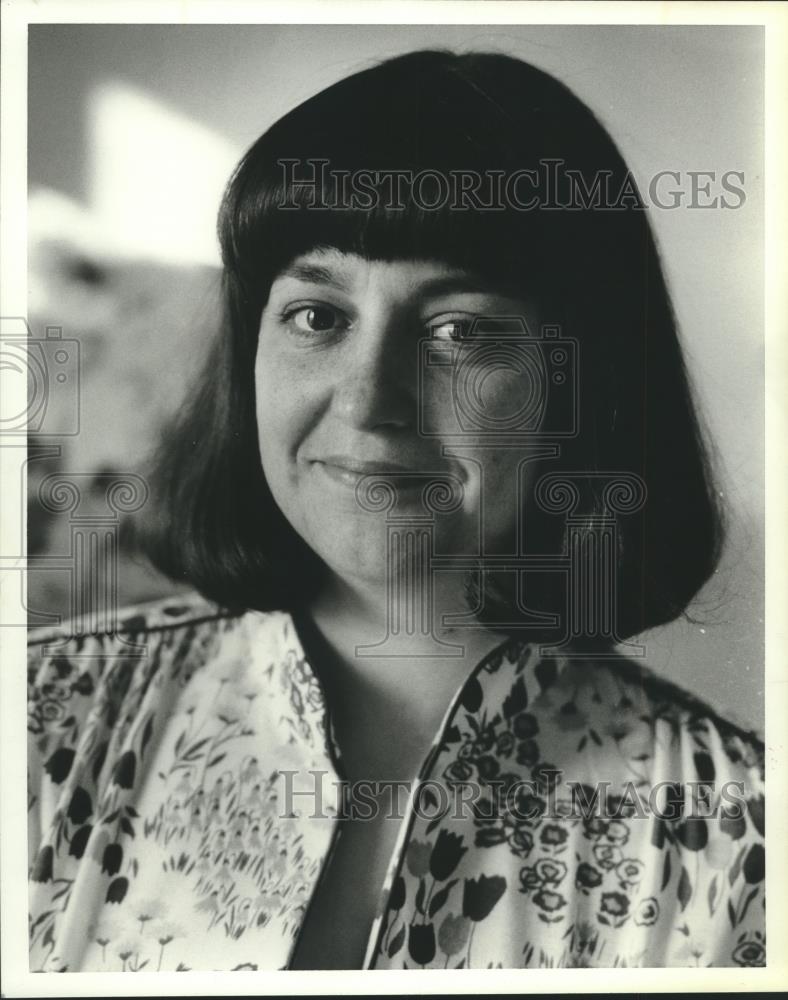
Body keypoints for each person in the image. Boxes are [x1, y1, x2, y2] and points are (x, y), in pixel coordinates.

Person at [27, 49, 765, 972]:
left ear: (586, 389)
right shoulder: (38, 717)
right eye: (316, 316)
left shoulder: (743, 836)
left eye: (461, 330)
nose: (370, 401)